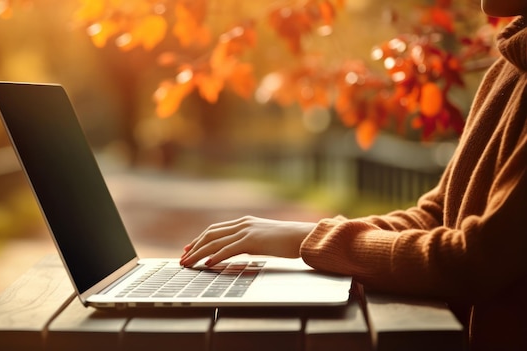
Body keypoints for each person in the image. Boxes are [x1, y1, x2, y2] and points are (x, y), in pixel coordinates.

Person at [180, 1, 527, 350]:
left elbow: (475, 260)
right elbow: (435, 217)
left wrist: (314, 240)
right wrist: (312, 237)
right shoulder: (506, 70)